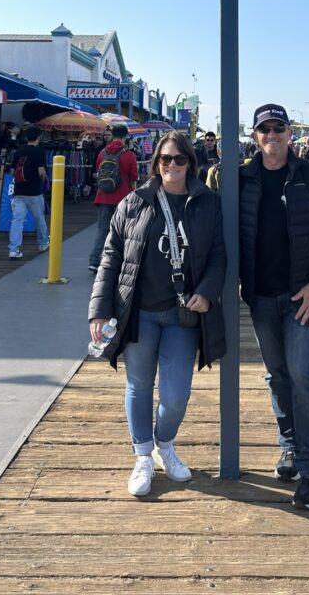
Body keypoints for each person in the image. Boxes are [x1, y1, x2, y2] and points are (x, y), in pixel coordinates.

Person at [88, 130, 226, 497]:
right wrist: (98, 311)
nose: (172, 166)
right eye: (166, 159)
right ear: (156, 163)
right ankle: (143, 456)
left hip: (182, 313)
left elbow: (218, 255)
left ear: (190, 163)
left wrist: (207, 293)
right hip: (139, 311)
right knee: (139, 384)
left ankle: (165, 443)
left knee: (176, 394)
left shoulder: (207, 203)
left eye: (180, 159)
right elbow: (110, 258)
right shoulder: (134, 202)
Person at [239, 104, 309, 511]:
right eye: (264, 129)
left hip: (303, 297)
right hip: (260, 297)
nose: (272, 134)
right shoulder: (241, 178)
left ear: (290, 134)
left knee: (304, 374)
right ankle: (289, 446)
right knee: (277, 376)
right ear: (255, 136)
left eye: (279, 127)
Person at [89, 124, 139, 272]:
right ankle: (119, 260)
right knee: (123, 230)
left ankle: (94, 261)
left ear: (112, 134)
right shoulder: (129, 155)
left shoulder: (102, 153)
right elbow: (133, 178)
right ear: (125, 136)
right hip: (123, 198)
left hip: (103, 196)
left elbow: (99, 172)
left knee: (103, 230)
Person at [8, 125, 49, 259]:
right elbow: (41, 172)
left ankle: (14, 249)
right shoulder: (39, 152)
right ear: (39, 137)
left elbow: (12, 172)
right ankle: (43, 243)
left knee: (17, 220)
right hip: (34, 191)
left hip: (19, 191)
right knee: (39, 218)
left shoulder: (18, 151)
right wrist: (44, 179)